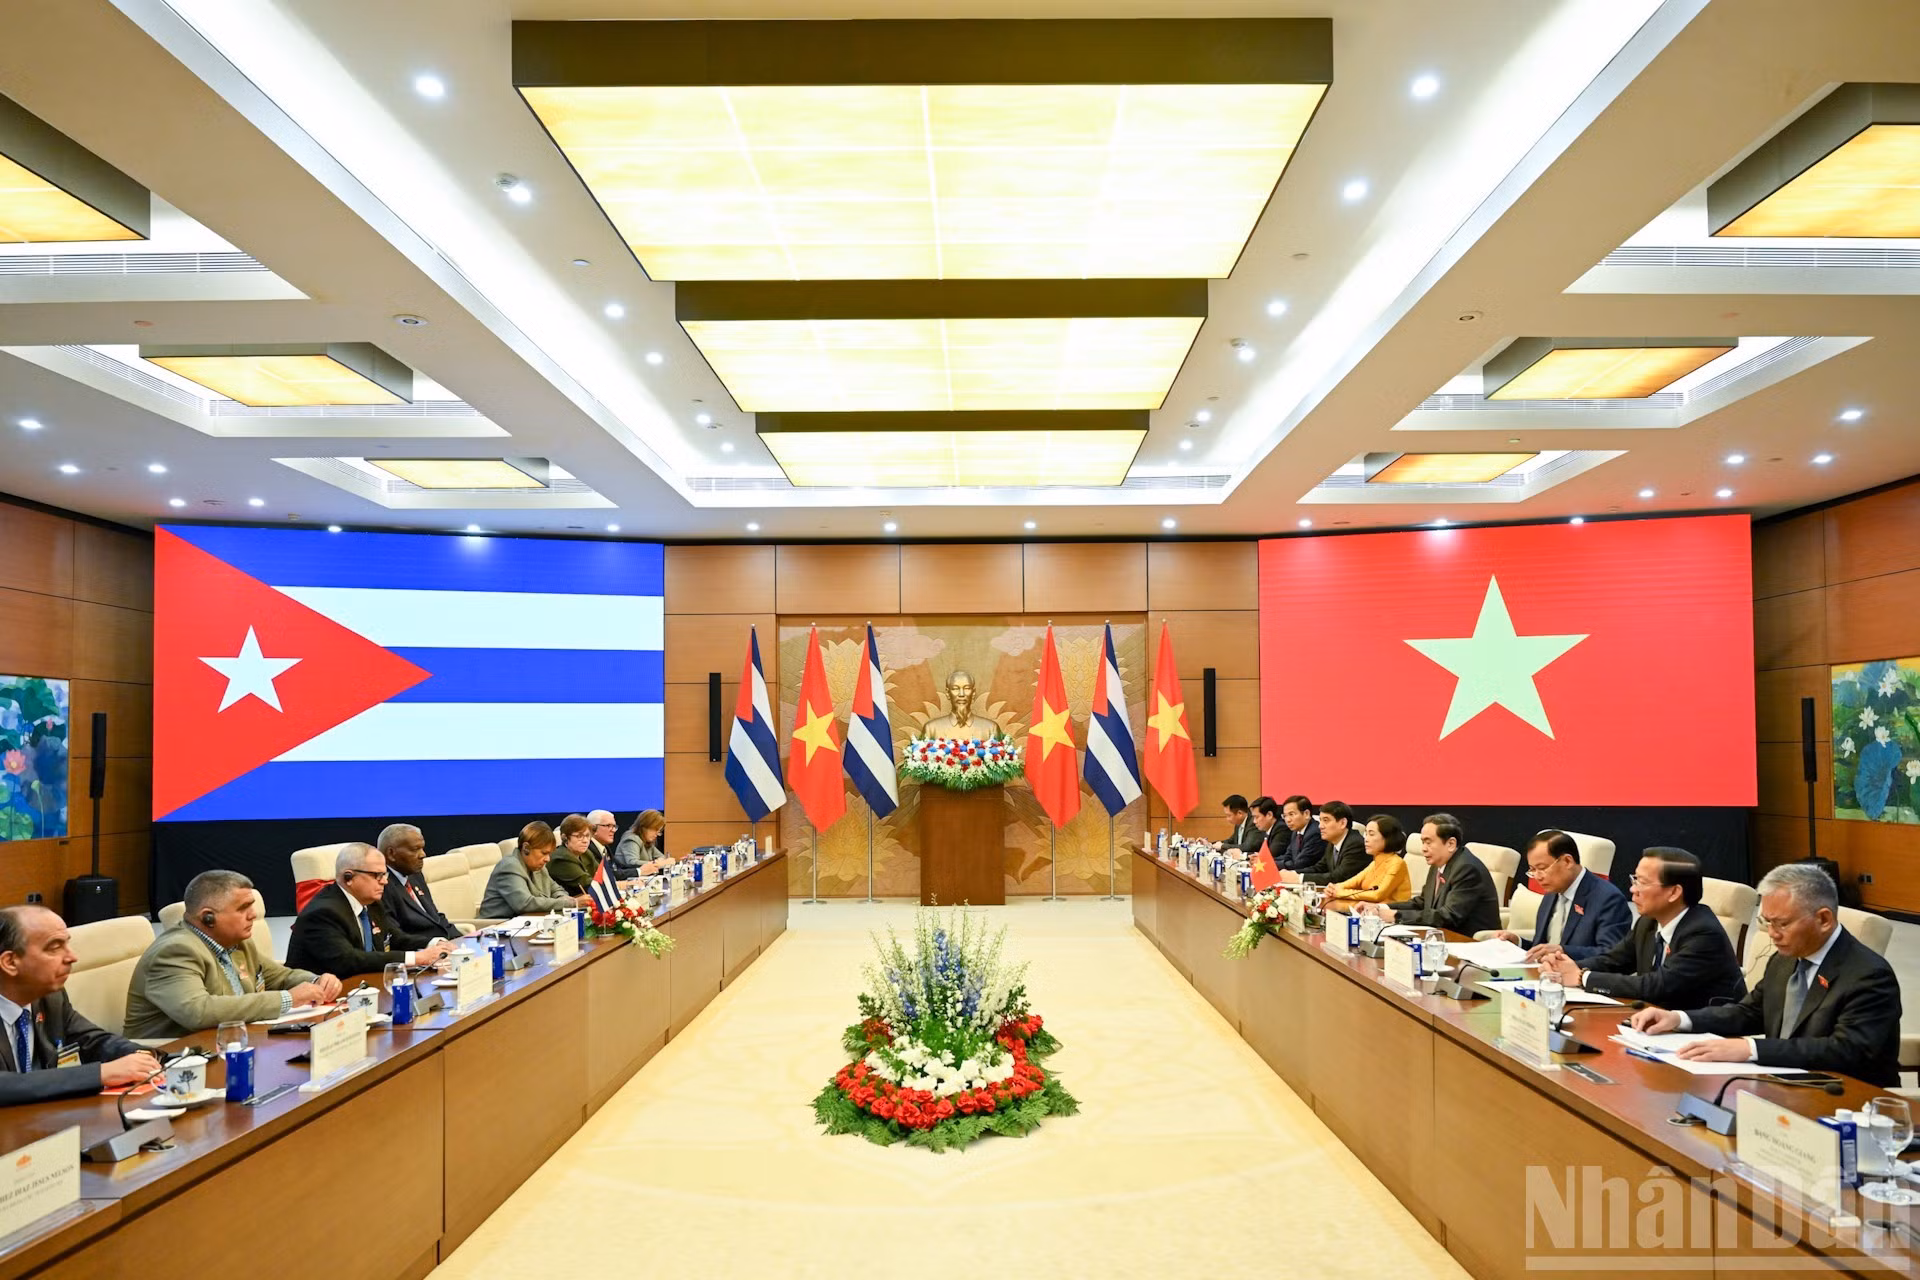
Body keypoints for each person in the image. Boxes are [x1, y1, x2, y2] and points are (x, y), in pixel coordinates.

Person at [1627, 863, 1901, 1086]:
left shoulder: (1868, 975)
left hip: (1845, 1096)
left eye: (1782, 924)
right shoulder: (1783, 960)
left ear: (1824, 919)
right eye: (1766, 922)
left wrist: (1750, 1049)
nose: (1772, 934)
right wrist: (1679, 1019)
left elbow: (1846, 1050)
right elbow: (1749, 1012)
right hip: (1781, 1084)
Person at [125, 870, 341, 1039]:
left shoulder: (237, 942)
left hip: (231, 1041)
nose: (253, 915)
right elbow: (198, 1012)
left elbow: (279, 976)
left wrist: (316, 981)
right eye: (243, 908)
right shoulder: (175, 952)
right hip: (173, 1057)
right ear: (208, 917)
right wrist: (287, 999)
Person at [1540, 847, 1745, 1009]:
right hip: (1656, 1021)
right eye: (1634, 879)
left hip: (1708, 1032)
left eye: (1642, 882)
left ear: (1674, 892)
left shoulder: (1703, 933)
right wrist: (1564, 966)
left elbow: (1658, 986)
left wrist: (1581, 977)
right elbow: (1614, 961)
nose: (1633, 889)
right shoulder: (1649, 922)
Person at [0, 905, 160, 1103]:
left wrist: (141, 1056)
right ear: (10, 962)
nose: (72, 957)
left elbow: (92, 1041)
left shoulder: (51, 997)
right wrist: (100, 1073)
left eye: (67, 944)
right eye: (54, 947)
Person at [287, 844, 455, 979]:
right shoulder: (323, 913)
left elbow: (394, 938)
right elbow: (349, 960)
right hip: (320, 997)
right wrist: (417, 958)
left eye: (385, 875)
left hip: (364, 985)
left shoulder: (372, 903)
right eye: (377, 875)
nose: (384, 882)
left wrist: (434, 944)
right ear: (349, 877)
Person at [1492, 830, 1631, 963]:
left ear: (1567, 861)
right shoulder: (1552, 893)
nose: (1537, 877)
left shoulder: (1608, 898)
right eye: (1533, 870)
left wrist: (1563, 951)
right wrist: (1518, 942)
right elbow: (1544, 947)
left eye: (1542, 868)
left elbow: (1612, 955)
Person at [1367, 813, 1499, 935]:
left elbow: (1448, 916)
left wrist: (1395, 916)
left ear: (1451, 844)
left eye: (1428, 842)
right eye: (1423, 842)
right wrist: (1381, 907)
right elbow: (1422, 903)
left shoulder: (1467, 869)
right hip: (1441, 936)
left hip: (1470, 942)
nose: (1423, 849)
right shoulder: (1438, 863)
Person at [377, 823, 469, 940]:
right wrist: (435, 943)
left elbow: (435, 917)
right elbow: (395, 936)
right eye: (415, 849)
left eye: (422, 848)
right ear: (391, 854)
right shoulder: (381, 885)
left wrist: (462, 940)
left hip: (443, 944)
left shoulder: (415, 875)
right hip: (421, 948)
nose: (423, 855)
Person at [482, 821, 592, 917]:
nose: (548, 859)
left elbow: (556, 889)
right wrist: (571, 903)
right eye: (544, 853)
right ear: (526, 848)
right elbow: (525, 904)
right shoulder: (509, 866)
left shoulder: (539, 867)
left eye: (549, 854)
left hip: (527, 923)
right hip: (496, 927)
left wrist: (564, 898)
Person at [1325, 815, 1413, 907]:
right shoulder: (1374, 863)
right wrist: (1334, 888)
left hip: (1393, 913)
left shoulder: (1397, 863)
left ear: (1388, 838)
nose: (1366, 839)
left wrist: (1341, 893)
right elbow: (1352, 882)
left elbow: (1377, 895)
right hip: (1371, 910)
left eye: (1371, 834)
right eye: (1366, 834)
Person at [1280, 800, 1366, 886]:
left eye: (1326, 820)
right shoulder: (1332, 842)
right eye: (1320, 821)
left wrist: (1300, 878)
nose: (1320, 826)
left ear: (1343, 823)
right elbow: (1319, 868)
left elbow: (1339, 877)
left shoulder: (1355, 844)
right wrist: (1292, 874)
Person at [546, 814, 603, 895]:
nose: (585, 840)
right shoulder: (561, 859)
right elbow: (589, 885)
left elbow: (603, 876)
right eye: (579, 836)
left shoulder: (586, 853)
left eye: (587, 836)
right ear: (565, 837)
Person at [1271, 795, 1326, 873]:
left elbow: (1299, 863)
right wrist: (1266, 860)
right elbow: (1288, 856)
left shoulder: (1315, 833)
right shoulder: (1296, 832)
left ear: (1306, 814)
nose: (1287, 820)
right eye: (1285, 816)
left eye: (1291, 814)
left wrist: (1270, 864)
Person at [611, 810, 672, 879]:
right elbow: (632, 862)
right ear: (645, 826)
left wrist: (663, 861)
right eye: (655, 830)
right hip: (627, 880)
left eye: (659, 831)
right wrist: (657, 864)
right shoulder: (631, 839)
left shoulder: (647, 841)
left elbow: (663, 858)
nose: (657, 834)